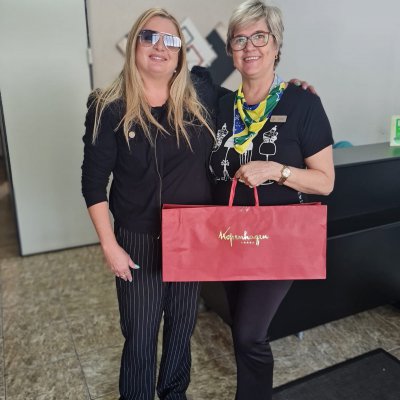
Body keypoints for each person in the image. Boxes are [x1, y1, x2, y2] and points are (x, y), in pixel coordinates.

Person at [81, 8, 220, 400]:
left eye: (170, 40)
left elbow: (252, 98)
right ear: (134, 45)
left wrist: (291, 91)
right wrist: (109, 245)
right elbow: (93, 183)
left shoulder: (201, 94)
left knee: (181, 328)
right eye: (149, 37)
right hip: (138, 239)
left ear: (180, 54)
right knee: (140, 335)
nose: (160, 46)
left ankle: (174, 394)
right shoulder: (108, 105)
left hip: (190, 235)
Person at [209, 1, 335, 399]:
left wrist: (276, 170)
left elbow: (325, 182)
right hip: (227, 237)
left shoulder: (303, 103)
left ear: (277, 44)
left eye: (260, 37)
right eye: (240, 39)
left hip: (276, 239)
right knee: (240, 328)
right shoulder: (219, 104)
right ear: (230, 50)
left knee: (249, 334)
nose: (249, 47)